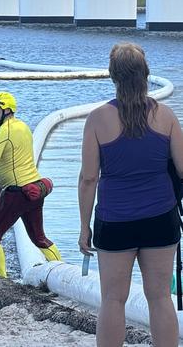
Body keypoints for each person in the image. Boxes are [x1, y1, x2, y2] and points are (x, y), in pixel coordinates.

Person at [78, 42, 183, 346]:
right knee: (161, 297)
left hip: (115, 220)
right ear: (146, 73)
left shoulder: (98, 119)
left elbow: (88, 178)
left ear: (112, 76)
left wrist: (85, 227)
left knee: (113, 299)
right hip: (161, 217)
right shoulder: (166, 116)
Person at [0, 91, 62, 278]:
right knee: (39, 238)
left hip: (17, 194)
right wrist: (0, 184)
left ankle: (1, 281)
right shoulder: (23, 127)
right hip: (35, 190)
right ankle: (63, 273)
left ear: (7, 110)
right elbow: (18, 162)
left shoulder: (3, 132)